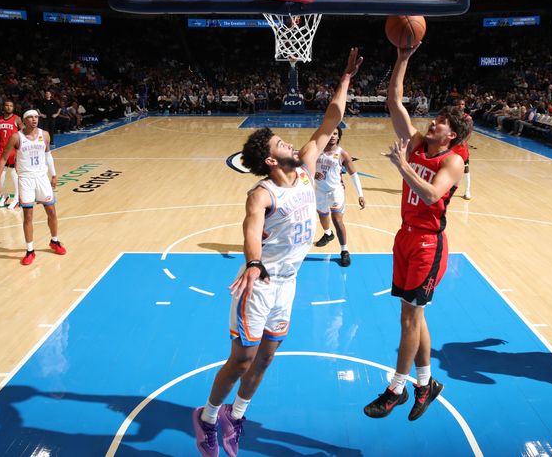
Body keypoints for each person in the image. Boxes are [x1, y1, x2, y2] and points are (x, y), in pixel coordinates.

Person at [193, 48, 362, 457]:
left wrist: (345, 77)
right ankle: (208, 417)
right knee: (241, 360)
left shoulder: (305, 165)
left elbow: (331, 120)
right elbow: (250, 228)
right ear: (271, 159)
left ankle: (237, 415)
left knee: (266, 358)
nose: (288, 140)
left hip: (289, 282)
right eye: (278, 141)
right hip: (261, 282)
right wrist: (252, 261)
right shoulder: (262, 192)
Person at [363, 45, 470, 422]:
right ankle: (426, 385)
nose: (433, 123)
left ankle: (396, 389)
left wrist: (400, 165)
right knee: (415, 316)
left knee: (409, 319)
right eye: (435, 118)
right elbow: (394, 100)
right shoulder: (418, 143)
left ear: (451, 133)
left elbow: (430, 193)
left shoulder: (453, 159)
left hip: (428, 243)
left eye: (440, 122)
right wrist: (403, 55)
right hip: (404, 237)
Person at [0, 110, 67, 265]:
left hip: (42, 178)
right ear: (24, 120)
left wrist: (53, 174)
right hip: (26, 179)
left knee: (52, 211)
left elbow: (48, 155)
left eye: (36, 117)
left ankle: (54, 241)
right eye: (31, 117)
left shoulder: (45, 134)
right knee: (28, 216)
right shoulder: (16, 137)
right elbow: (3, 159)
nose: (34, 119)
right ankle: (30, 251)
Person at [313, 126, 366, 267]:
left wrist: (360, 194)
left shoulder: (342, 154)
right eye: (330, 133)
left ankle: (344, 251)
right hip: (320, 191)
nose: (332, 136)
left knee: (337, 220)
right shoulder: (317, 151)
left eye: (335, 133)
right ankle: (328, 234)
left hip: (335, 191)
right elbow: (308, 166)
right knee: (323, 216)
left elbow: (354, 175)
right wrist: (313, 174)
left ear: (338, 136)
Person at [451, 99, 473, 200]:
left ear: (464, 106)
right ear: (456, 106)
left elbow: (469, 132)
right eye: (459, 104)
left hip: (461, 146)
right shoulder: (452, 116)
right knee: (448, 166)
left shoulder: (468, 118)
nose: (461, 106)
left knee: (466, 169)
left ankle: (467, 190)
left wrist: (464, 141)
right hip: (452, 144)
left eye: (463, 104)